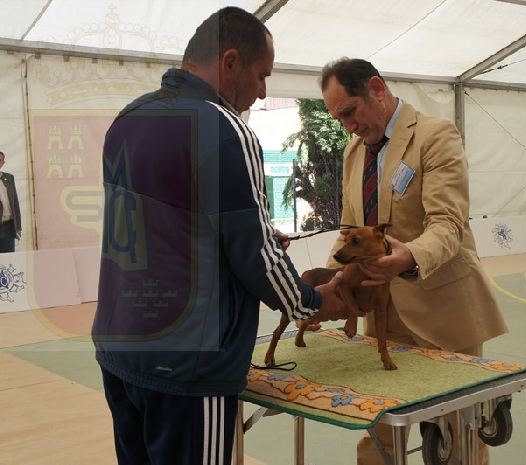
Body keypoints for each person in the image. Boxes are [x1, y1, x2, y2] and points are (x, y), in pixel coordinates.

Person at [91, 8, 347, 465]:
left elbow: (165, 228)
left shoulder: (128, 118)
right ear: (230, 62)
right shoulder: (226, 129)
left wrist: (238, 235)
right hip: (190, 363)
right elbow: (256, 256)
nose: (262, 91)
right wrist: (311, 302)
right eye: (262, 75)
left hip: (119, 347)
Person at [320, 58, 508, 465]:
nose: (348, 126)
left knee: (458, 434)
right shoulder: (354, 153)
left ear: (376, 88)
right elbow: (350, 232)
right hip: (381, 314)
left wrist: (409, 257)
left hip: (442, 308)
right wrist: (332, 281)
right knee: (379, 434)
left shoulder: (436, 135)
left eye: (350, 112)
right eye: (339, 119)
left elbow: (448, 223)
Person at [0, 151, 22, 253]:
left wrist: (18, 227)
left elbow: (15, 203)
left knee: (8, 258)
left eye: (0, 160)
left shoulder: (9, 178)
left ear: (3, 163)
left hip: (9, 226)